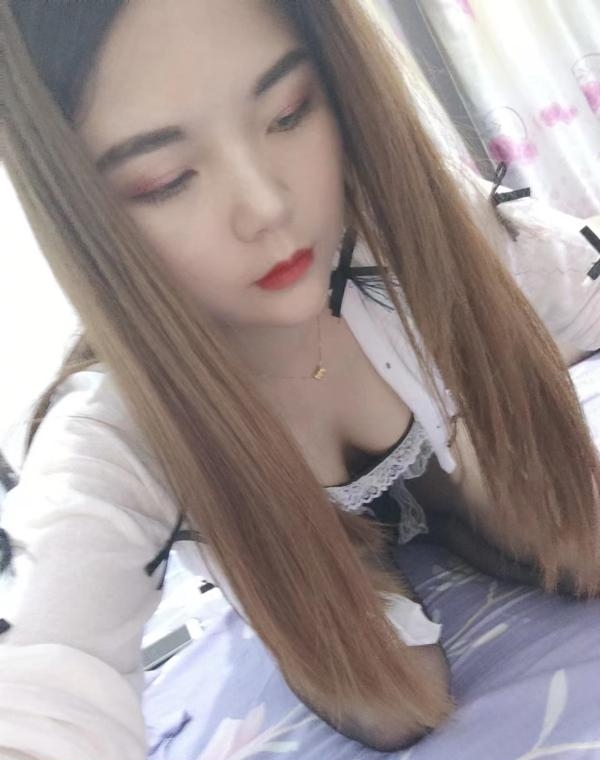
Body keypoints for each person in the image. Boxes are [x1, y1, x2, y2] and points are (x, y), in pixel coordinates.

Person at [0, 1, 599, 758]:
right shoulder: (115, 422)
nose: (267, 206)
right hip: (293, 545)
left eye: (288, 113)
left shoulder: (417, 235)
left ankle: (443, 493)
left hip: (451, 446)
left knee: (579, 540)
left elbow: (581, 281)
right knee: (388, 702)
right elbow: (44, 666)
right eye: (164, 179)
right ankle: (346, 549)